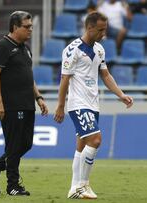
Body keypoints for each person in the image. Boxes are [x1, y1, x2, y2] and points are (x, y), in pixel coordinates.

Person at [54, 11, 133, 199]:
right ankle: (83, 184)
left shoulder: (99, 49)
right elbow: (64, 79)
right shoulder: (72, 50)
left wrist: (120, 94)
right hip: (78, 103)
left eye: (105, 29)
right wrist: (60, 106)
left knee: (81, 146)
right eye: (100, 30)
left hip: (93, 104)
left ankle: (74, 188)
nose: (104, 33)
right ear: (89, 28)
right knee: (96, 140)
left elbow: (105, 75)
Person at [0, 11, 48, 196]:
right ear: (15, 27)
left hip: (27, 103)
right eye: (27, 27)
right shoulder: (2, 46)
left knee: (25, 144)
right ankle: (13, 185)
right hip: (11, 104)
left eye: (31, 26)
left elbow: (29, 76)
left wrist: (39, 97)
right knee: (13, 145)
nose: (30, 30)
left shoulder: (25, 49)